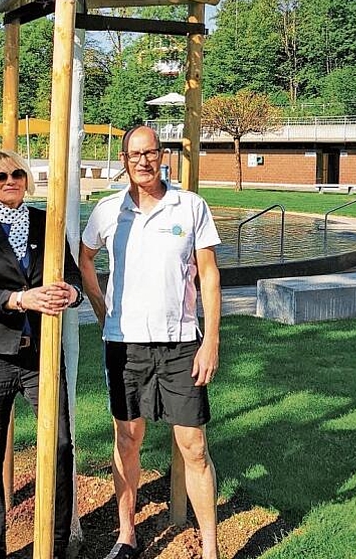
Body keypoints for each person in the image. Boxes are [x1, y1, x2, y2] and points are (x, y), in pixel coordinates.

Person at [79, 125, 222, 559]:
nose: (143, 161)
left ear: (163, 157)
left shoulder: (190, 206)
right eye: (134, 154)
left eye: (151, 152)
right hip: (125, 346)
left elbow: (210, 275)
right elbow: (85, 259)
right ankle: (127, 537)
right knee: (127, 439)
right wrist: (103, 310)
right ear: (123, 160)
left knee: (193, 446)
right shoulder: (107, 212)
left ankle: (211, 548)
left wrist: (210, 339)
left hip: (181, 343)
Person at [0, 150, 84, 559]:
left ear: (27, 180)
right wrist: (21, 298)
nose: (9, 180)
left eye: (16, 174)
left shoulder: (48, 224)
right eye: (0, 176)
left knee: (61, 446)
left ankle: (56, 542)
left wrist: (72, 293)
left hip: (41, 356)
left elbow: (73, 274)